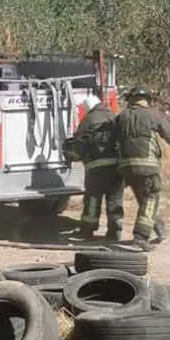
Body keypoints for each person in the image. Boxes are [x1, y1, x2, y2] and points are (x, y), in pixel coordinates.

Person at [114, 86, 170, 251]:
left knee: (144, 199)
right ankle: (140, 238)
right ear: (147, 99)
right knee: (150, 198)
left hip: (126, 168)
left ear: (130, 100)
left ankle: (158, 226)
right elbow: (169, 133)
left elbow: (113, 140)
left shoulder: (121, 117)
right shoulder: (153, 114)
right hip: (147, 166)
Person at [69, 93, 123, 241]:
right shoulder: (114, 116)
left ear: (88, 107)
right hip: (116, 167)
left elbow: (78, 142)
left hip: (95, 168)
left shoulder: (88, 119)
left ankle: (87, 231)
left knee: (93, 200)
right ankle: (115, 231)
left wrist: (73, 156)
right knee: (115, 200)